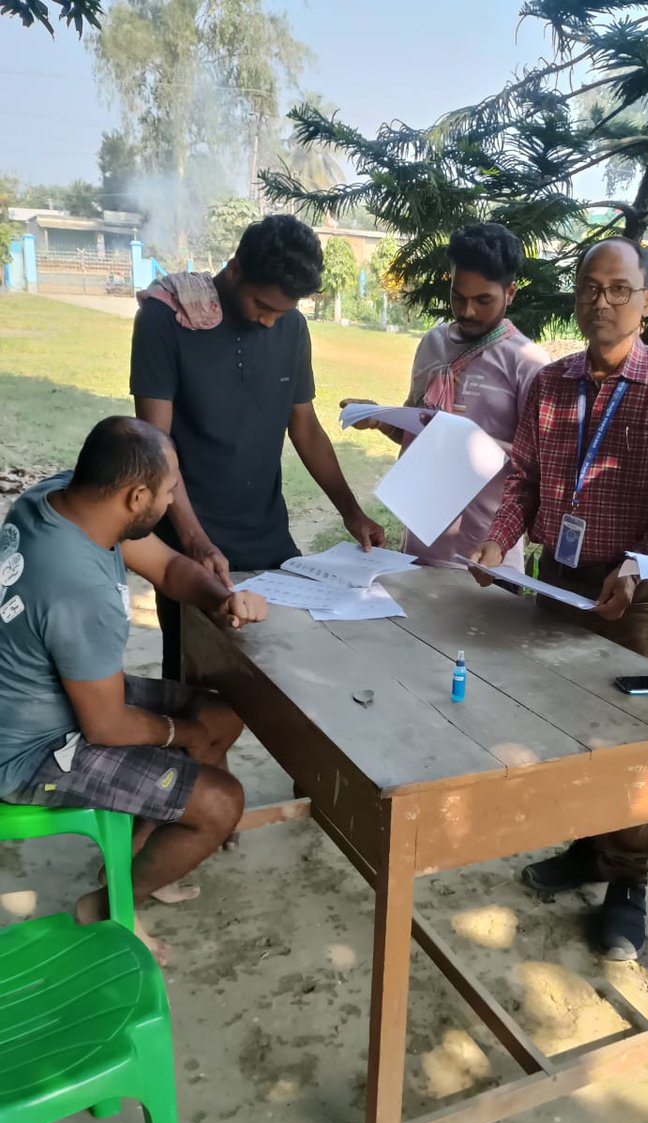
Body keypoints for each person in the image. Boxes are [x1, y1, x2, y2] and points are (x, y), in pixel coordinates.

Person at [470, 237, 648, 959]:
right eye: (589, 287)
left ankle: (628, 885)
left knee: (632, 736)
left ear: (647, 301)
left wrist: (643, 565)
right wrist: (497, 539)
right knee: (565, 725)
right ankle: (584, 848)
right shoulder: (552, 384)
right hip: (557, 579)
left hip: (630, 592)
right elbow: (522, 478)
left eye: (618, 289)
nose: (600, 302)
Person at [0, 417, 267, 963]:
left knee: (223, 715)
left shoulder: (62, 499)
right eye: (169, 492)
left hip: (50, 696)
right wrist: (183, 735)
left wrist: (221, 600)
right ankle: (106, 904)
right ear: (136, 494)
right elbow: (106, 726)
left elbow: (168, 567)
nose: (172, 503)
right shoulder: (78, 589)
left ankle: (139, 855)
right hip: (31, 750)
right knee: (222, 803)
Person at [131, 213, 384, 680]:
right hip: (188, 539)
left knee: (276, 676)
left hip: (268, 536)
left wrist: (351, 511)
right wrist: (194, 540)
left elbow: (304, 426)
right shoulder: (167, 319)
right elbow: (154, 446)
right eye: (262, 305)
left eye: (283, 311)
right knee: (195, 679)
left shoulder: (290, 328)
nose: (270, 321)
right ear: (235, 268)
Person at [342, 222, 550, 568]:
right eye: (457, 296)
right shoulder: (432, 344)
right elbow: (418, 432)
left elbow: (541, 466)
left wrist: (470, 445)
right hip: (420, 549)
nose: (467, 311)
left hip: (486, 557)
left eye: (483, 300)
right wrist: (382, 419)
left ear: (510, 292)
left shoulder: (526, 363)